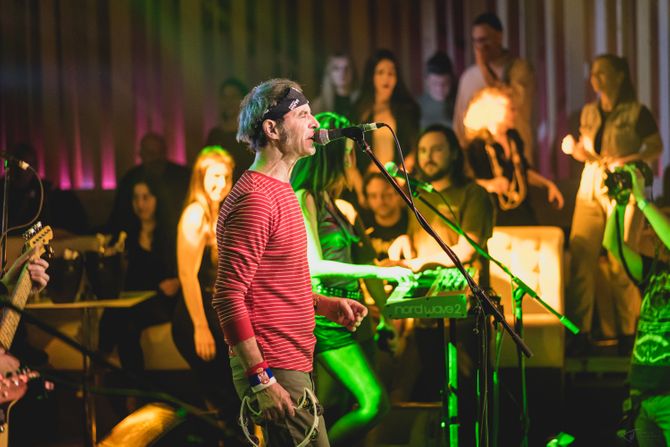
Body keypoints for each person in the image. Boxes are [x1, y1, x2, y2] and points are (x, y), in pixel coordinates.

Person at [211, 79, 368, 447]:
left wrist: (322, 304)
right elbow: (228, 297)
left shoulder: (281, 191)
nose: (315, 123)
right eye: (303, 114)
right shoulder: (255, 200)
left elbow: (272, 285)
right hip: (273, 365)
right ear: (272, 129)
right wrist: (261, 379)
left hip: (290, 360)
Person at [291, 112, 413, 446]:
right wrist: (380, 272)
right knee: (373, 403)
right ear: (332, 156)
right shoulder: (304, 197)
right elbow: (314, 266)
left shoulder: (340, 206)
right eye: (347, 154)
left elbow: (364, 260)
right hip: (327, 317)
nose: (352, 162)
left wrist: (387, 317)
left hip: (354, 313)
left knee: (347, 406)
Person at [562, 54, 663, 355]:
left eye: (602, 72)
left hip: (623, 187)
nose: (596, 79)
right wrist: (575, 149)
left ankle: (628, 332)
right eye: (593, 73)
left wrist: (627, 160)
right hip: (591, 185)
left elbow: (655, 147)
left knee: (620, 257)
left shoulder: (636, 112)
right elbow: (588, 150)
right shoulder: (589, 112)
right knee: (582, 255)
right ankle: (581, 333)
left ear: (620, 75)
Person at [170, 147, 241, 438]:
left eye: (226, 177)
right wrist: (200, 327)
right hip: (195, 317)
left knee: (228, 398)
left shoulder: (217, 211)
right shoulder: (195, 213)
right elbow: (187, 275)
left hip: (212, 314)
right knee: (224, 398)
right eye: (215, 176)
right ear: (201, 177)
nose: (221, 183)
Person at [601, 165, 670, 446]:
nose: (651, 233)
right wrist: (619, 204)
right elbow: (612, 245)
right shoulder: (655, 272)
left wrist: (642, 201)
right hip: (643, 394)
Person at [98, 176, 179, 378]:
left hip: (163, 298)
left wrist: (178, 282)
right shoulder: (127, 235)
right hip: (135, 298)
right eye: (136, 198)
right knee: (116, 313)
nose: (140, 204)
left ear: (157, 199)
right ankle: (111, 369)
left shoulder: (171, 233)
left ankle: (104, 366)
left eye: (146, 197)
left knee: (123, 319)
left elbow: (185, 270)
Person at [463, 87, 564, 225]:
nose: (515, 113)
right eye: (511, 109)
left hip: (523, 212)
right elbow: (466, 183)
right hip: (493, 216)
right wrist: (490, 185)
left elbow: (523, 171)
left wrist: (547, 185)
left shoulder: (513, 137)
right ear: (493, 110)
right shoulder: (477, 145)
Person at [453, 12, 535, 163]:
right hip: (479, 162)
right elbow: (459, 123)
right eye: (475, 41)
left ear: (499, 37)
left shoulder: (519, 69)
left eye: (484, 40)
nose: (480, 47)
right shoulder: (468, 77)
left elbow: (509, 100)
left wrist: (484, 67)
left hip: (514, 157)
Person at [106, 132, 190, 235]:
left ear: (164, 153)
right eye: (150, 153)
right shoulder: (130, 179)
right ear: (141, 154)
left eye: (158, 152)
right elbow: (119, 217)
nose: (155, 158)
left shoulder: (182, 176)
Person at [352, 49, 420, 174]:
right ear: (371, 77)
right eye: (380, 72)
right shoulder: (359, 110)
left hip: (398, 178)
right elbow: (351, 153)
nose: (386, 78)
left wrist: (402, 174)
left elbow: (415, 148)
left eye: (391, 73)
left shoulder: (407, 110)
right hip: (368, 179)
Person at [205, 78, 255, 182]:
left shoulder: (253, 135)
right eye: (224, 97)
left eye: (233, 97)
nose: (228, 102)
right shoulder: (215, 135)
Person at [361, 172, 408, 261]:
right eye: (373, 196)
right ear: (367, 199)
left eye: (386, 194)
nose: (380, 200)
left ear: (398, 194)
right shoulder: (362, 226)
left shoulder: (413, 222)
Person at [417, 51, 457, 130]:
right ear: (427, 81)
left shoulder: (459, 103)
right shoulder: (416, 105)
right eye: (435, 83)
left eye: (445, 83)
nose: (440, 88)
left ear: (451, 80)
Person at [311, 54, 358, 119]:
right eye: (336, 68)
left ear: (353, 71)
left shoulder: (361, 102)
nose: (342, 73)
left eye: (346, 68)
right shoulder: (319, 105)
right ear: (329, 72)